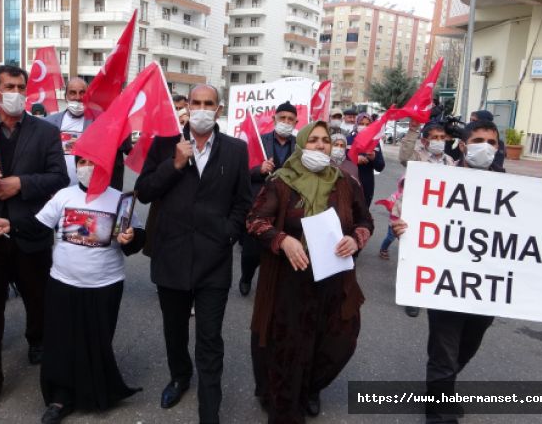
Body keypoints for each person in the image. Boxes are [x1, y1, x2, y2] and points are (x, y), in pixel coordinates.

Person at [0, 156, 145, 424]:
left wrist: (131, 238)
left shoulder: (119, 199)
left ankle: (95, 392)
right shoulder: (64, 196)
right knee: (61, 343)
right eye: (82, 161)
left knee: (97, 341)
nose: (88, 167)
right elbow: (38, 225)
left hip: (105, 284)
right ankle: (60, 398)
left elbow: (135, 239)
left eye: (94, 162)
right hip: (63, 282)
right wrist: (11, 225)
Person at [135, 84, 251, 424]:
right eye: (196, 102)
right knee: (174, 329)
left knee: (210, 336)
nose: (201, 109)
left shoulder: (236, 150)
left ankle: (209, 406)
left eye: (208, 104)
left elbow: (243, 202)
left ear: (218, 109)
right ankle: (180, 376)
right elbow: (144, 192)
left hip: (213, 261)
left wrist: (228, 235)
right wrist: (175, 163)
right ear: (187, 106)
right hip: (170, 256)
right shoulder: (165, 144)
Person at [247, 120, 373, 423]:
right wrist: (282, 239)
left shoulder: (345, 182)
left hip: (334, 279)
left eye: (325, 141)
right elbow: (254, 220)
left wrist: (354, 239)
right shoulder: (281, 181)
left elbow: (365, 222)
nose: (320, 146)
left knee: (339, 341)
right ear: (302, 145)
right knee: (289, 347)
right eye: (313, 140)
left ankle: (310, 387)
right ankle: (286, 407)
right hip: (290, 280)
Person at [0, 65, 69, 417]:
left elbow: (58, 177)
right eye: (9, 86)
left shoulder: (44, 131)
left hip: (28, 232)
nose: (16, 92)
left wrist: (21, 183)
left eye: (21, 86)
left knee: (38, 300)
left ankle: (36, 339)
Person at [391, 120, 503, 424]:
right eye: (478, 140)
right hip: (444, 282)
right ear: (464, 146)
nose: (485, 147)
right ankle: (440, 413)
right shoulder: (437, 179)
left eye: (491, 142)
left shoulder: (510, 187)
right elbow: (404, 209)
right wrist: (402, 225)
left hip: (485, 288)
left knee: (467, 345)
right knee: (444, 350)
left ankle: (443, 387)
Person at [240, 101, 298, 297]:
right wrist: (259, 170)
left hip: (287, 206)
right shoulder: (257, 141)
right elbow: (241, 171)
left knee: (279, 247)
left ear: (296, 122)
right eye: (282, 118)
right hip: (260, 204)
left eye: (290, 119)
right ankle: (246, 277)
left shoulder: (300, 146)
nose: (286, 122)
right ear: (274, 119)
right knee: (251, 251)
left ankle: (272, 287)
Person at [398, 121, 456, 318]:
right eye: (434, 138)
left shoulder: (449, 161)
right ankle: (411, 298)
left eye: (442, 138)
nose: (439, 142)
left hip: (439, 216)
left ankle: (427, 291)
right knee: (412, 255)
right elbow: (404, 156)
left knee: (432, 256)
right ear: (425, 140)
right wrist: (413, 131)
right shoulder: (417, 157)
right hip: (416, 213)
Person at [45, 77, 132, 190]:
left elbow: (120, 146)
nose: (77, 97)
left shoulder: (103, 121)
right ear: (66, 96)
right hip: (58, 190)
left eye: (82, 93)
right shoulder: (49, 123)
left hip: (90, 191)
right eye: (72, 93)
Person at [349, 113, 385, 207]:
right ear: (357, 124)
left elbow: (380, 167)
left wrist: (374, 158)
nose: (364, 127)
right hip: (349, 183)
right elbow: (338, 161)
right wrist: (354, 159)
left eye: (367, 124)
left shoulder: (374, 143)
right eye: (361, 123)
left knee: (363, 215)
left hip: (366, 186)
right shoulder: (348, 140)